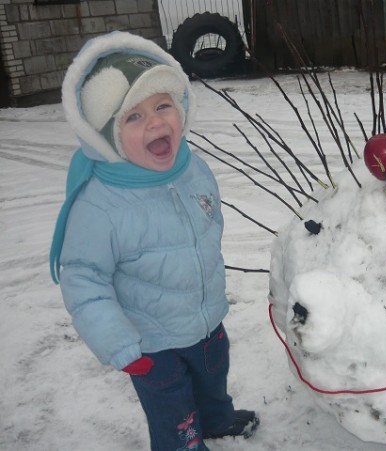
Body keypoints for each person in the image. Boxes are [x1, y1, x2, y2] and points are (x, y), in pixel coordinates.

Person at [49, 31, 258, 451]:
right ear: (107, 136)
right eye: (134, 117)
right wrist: (119, 344)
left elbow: (207, 221)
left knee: (213, 380)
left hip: (205, 320)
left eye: (163, 105)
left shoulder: (191, 166)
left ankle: (216, 420)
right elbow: (84, 280)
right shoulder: (100, 205)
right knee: (172, 411)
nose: (157, 122)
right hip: (151, 342)